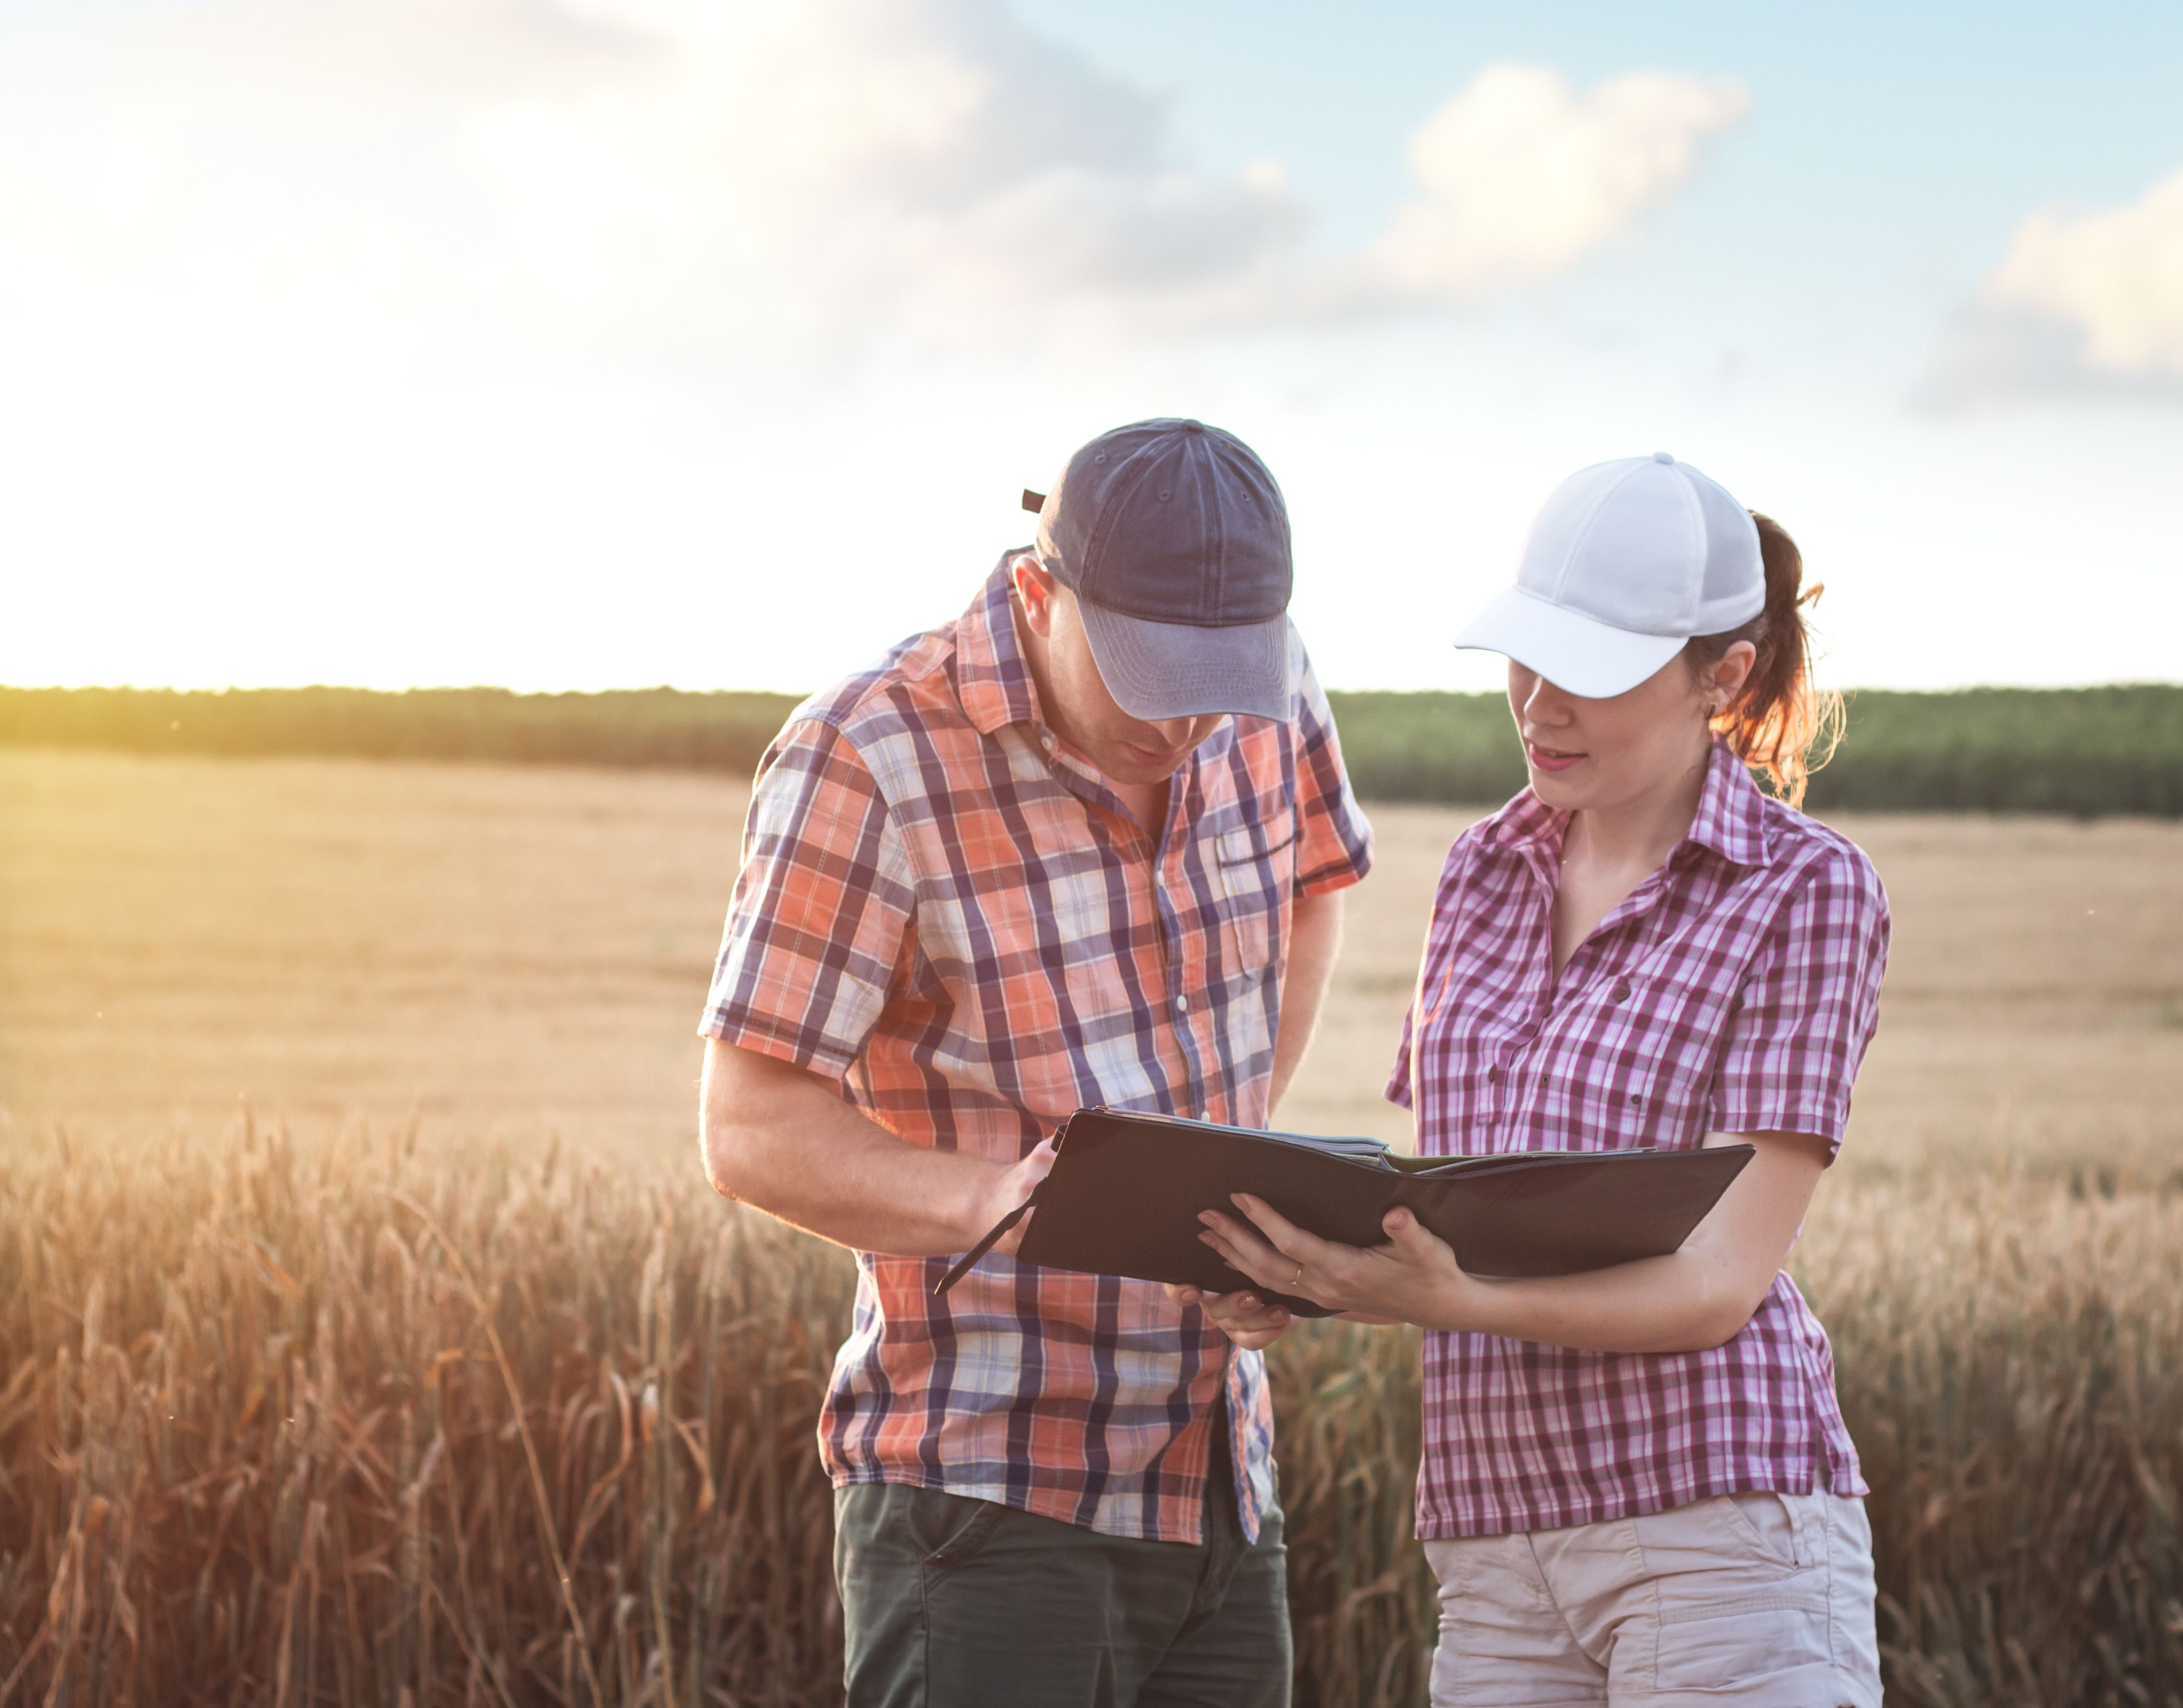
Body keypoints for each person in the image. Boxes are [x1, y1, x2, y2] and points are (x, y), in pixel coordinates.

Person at [696, 418, 1374, 1707]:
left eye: (1217, 686)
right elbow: (750, 1125)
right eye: (1148, 678)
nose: (1187, 725)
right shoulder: (869, 754)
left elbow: (1316, 886)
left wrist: (1218, 1189)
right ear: (1034, 593)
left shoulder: (1267, 691)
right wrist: (1001, 1199)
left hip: (1222, 1485)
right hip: (986, 1500)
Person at [1195, 453, 1890, 1706]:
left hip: (1713, 1521)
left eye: (1596, 671)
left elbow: (1719, 1284)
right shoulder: (1481, 871)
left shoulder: (1807, 888)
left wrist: (1445, 1299)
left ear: (1722, 675)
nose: (1539, 703)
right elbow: (1464, 1208)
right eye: (1528, 654)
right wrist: (1312, 1271)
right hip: (1493, 1546)